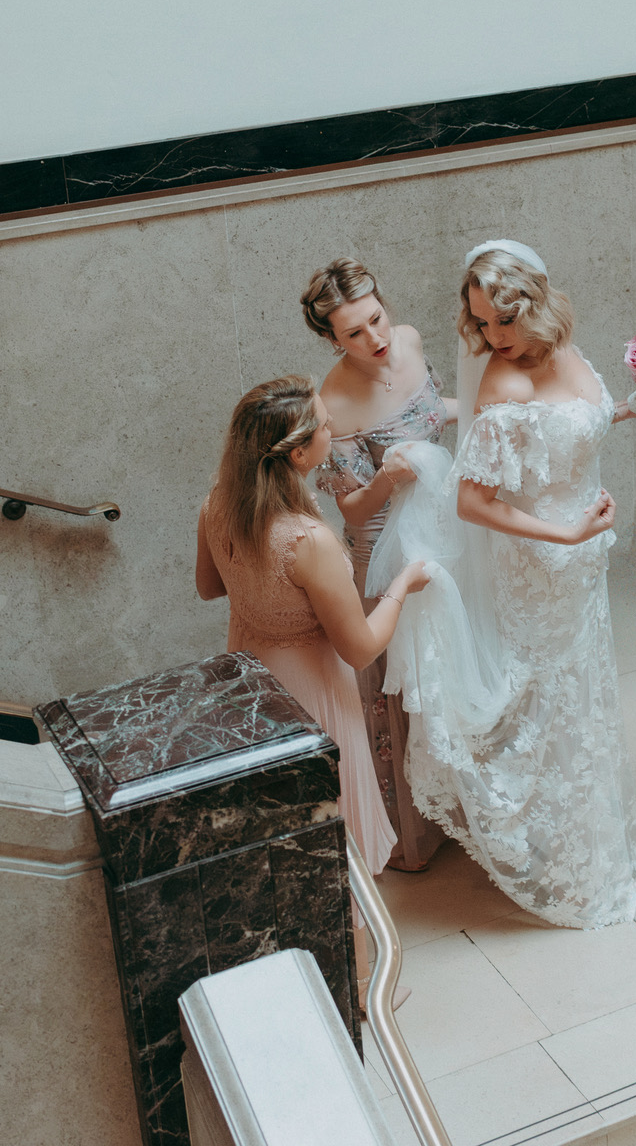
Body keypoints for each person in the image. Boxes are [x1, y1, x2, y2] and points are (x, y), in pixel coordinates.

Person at [367, 240, 636, 929]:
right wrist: (566, 534)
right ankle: (539, 849)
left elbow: (567, 430)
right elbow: (474, 503)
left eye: (504, 320)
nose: (493, 337)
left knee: (581, 692)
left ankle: (582, 836)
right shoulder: (503, 384)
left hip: (584, 558)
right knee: (543, 695)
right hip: (539, 561)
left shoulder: (569, 354)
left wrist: (634, 408)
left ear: (538, 304)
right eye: (481, 323)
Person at [195, 375, 429, 1001]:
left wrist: (262, 599)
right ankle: (355, 985)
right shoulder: (308, 540)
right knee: (335, 831)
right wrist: (403, 586)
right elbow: (358, 646)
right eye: (325, 425)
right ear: (298, 454)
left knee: (281, 826)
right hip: (312, 691)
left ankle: (293, 954)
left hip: (249, 681)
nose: (333, 430)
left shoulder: (217, 503)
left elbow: (210, 587)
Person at [301, 258, 456, 871]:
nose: (376, 339)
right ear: (331, 340)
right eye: (355, 334)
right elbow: (352, 506)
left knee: (449, 663)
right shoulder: (332, 402)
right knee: (399, 684)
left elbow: (434, 412)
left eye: (376, 319)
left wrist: (499, 407)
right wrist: (390, 478)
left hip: (441, 519)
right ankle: (409, 834)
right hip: (382, 540)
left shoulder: (411, 340)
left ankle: (464, 805)